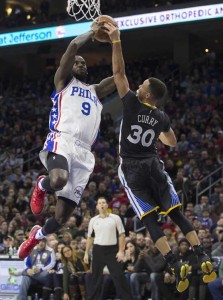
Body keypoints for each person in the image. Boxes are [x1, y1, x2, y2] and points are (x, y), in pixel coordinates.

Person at [103, 22, 216, 293]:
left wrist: (116, 41)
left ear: (146, 94)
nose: (138, 85)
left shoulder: (131, 102)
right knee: (176, 213)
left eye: (142, 85)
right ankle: (202, 256)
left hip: (131, 167)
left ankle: (175, 264)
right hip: (154, 164)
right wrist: (155, 131)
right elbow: (172, 141)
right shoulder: (161, 116)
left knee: (149, 220)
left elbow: (118, 72)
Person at [18, 22, 116, 259]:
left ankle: (36, 235)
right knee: (58, 179)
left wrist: (116, 42)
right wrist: (93, 32)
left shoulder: (95, 90)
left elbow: (119, 76)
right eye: (77, 62)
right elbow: (72, 46)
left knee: (61, 218)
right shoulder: (63, 82)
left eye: (84, 63)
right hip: (62, 138)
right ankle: (42, 185)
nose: (81, 64)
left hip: (84, 152)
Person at [84, 197, 131, 300]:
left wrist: (121, 250)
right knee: (95, 278)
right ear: (97, 206)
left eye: (103, 202)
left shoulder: (115, 218)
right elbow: (90, 237)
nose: (101, 204)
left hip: (112, 250)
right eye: (99, 203)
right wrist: (86, 253)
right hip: (98, 250)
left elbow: (122, 235)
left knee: (119, 277)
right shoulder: (93, 220)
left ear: (107, 205)